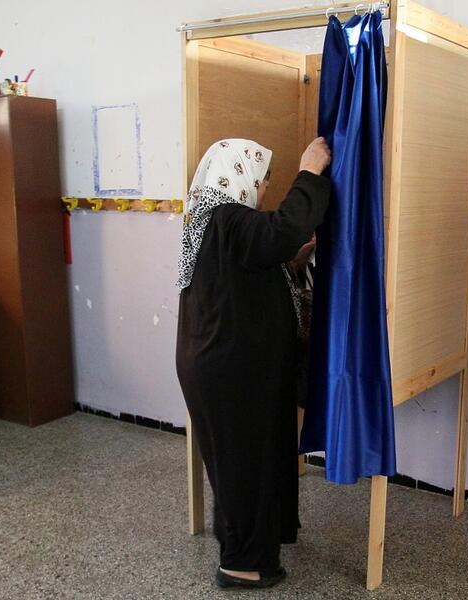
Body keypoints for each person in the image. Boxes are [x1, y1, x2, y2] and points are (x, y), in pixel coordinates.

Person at [176, 137, 332, 589]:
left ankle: (247, 546)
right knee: (244, 465)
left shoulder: (213, 220)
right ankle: (240, 563)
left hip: (224, 367)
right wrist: (309, 172)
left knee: (243, 462)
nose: (263, 190)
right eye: (262, 180)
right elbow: (279, 231)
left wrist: (292, 259)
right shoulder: (226, 216)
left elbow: (251, 267)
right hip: (228, 373)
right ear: (237, 175)